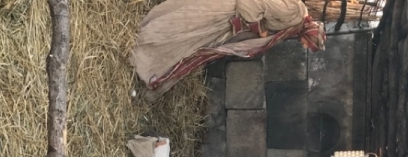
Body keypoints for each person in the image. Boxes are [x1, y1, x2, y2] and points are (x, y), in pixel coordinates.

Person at [131, 0, 326, 95]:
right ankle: (145, 42)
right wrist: (260, 30)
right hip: (227, 10)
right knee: (186, 24)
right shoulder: (294, 12)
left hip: (229, 24)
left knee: (190, 43)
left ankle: (152, 63)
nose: (304, 46)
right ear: (308, 34)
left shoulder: (294, 26)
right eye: (308, 44)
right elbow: (254, 2)